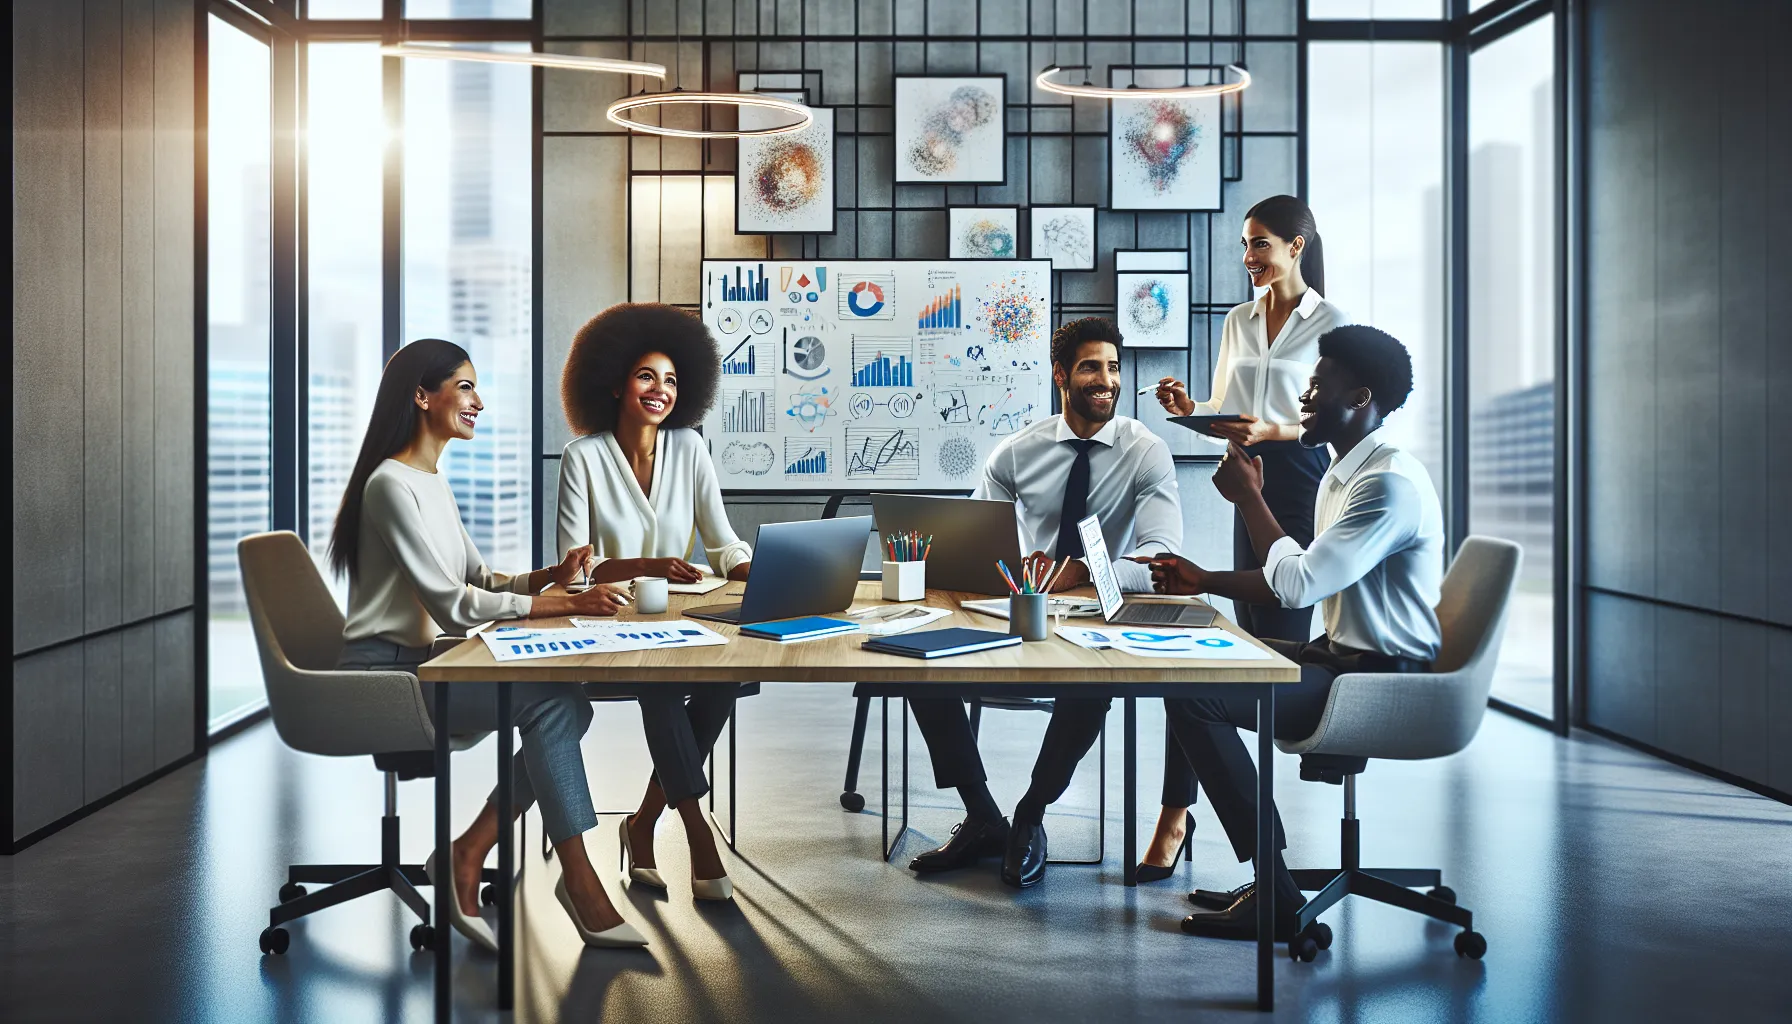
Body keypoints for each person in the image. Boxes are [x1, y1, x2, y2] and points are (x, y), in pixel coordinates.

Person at [330, 339, 648, 949]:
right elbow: (452, 605)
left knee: (568, 704)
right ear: (422, 396)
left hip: (425, 666)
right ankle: (575, 881)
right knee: (555, 703)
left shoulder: (429, 481)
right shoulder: (390, 485)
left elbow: (478, 581)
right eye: (466, 386)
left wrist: (552, 576)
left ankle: (471, 851)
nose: (479, 400)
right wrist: (568, 603)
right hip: (385, 680)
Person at [1147, 325, 1443, 941]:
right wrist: (1204, 579)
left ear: (1360, 398)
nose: (1304, 397)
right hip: (1338, 656)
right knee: (1192, 660)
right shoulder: (1345, 472)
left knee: (1195, 695)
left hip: (1375, 680)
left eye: (1317, 385)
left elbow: (1299, 585)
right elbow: (1299, 573)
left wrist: (1250, 499)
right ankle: (1273, 883)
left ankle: (1277, 895)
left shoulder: (1386, 486)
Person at [906, 317, 1183, 888]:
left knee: (1092, 683)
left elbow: (1162, 557)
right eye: (1090, 367)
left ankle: (1030, 814)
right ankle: (983, 815)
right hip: (1022, 606)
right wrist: (1003, 569)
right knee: (919, 662)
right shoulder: (1016, 453)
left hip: (1097, 613)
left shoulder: (1144, 451)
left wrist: (1085, 570)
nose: (1106, 380)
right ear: (1060, 375)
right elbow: (977, 542)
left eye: (1113, 367)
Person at [1141, 195, 1347, 881]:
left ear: (1296, 245)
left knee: (1264, 669)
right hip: (1244, 483)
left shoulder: (1332, 323)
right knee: (1220, 657)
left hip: (1298, 488)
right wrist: (1191, 411)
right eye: (1243, 244)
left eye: (1260, 243)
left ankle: (1264, 862)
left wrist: (1272, 430)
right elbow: (1228, 412)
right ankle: (1178, 812)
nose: (1248, 256)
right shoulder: (1238, 320)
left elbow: (1330, 419)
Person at [556, 303, 748, 901]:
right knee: (662, 685)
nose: (660, 389)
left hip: (682, 621)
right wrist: (646, 565)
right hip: (609, 626)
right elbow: (575, 569)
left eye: (670, 379)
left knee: (724, 680)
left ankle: (641, 825)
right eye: (646, 376)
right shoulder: (583, 457)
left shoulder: (689, 447)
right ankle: (696, 831)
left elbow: (722, 542)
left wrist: (752, 567)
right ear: (615, 382)